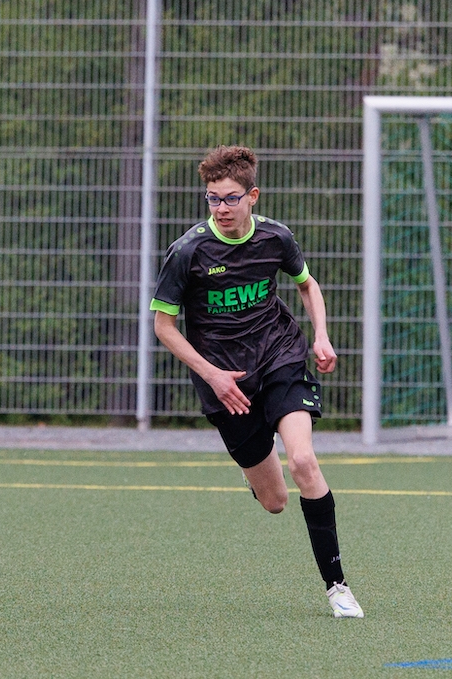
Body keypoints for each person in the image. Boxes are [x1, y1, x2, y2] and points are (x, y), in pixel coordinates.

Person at [150, 145, 364, 618]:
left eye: (231, 198)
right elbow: (164, 326)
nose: (221, 208)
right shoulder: (187, 252)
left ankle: (337, 587)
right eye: (213, 199)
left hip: (279, 356)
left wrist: (321, 336)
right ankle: (256, 472)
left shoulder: (275, 237)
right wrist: (211, 374)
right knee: (275, 502)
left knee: (303, 461)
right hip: (225, 382)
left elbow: (306, 284)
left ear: (253, 196)